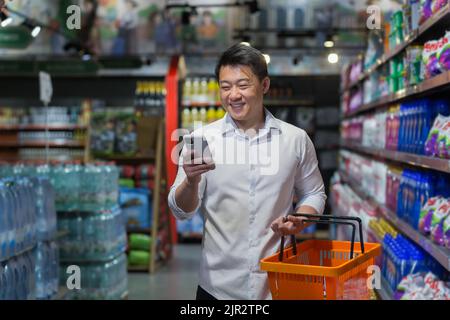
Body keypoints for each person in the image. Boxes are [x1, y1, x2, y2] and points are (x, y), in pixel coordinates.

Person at [168, 44, 327, 300]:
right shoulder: (201, 139)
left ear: (264, 85)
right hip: (217, 288)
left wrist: (301, 218)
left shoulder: (295, 139)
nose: (233, 95)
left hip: (278, 283)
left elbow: (314, 193)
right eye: (225, 86)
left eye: (243, 84)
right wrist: (190, 179)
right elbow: (181, 211)